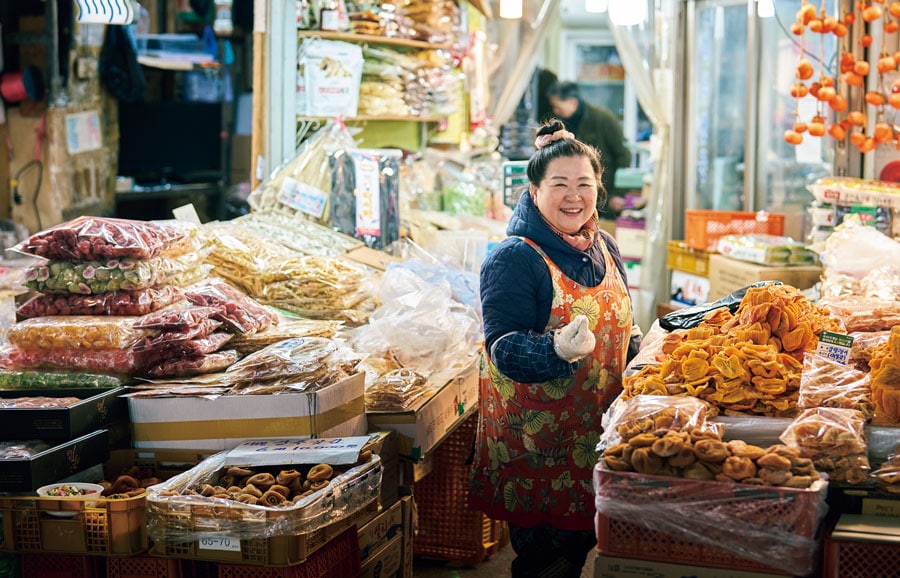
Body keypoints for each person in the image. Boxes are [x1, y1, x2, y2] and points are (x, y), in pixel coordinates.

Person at [468, 120, 641, 577]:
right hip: (538, 446)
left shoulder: (604, 246)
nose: (574, 196)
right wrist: (555, 352)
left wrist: (644, 351)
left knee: (583, 545)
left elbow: (620, 327)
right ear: (534, 189)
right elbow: (502, 346)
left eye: (584, 184)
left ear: (598, 188)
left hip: (596, 432)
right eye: (559, 184)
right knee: (547, 561)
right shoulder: (515, 257)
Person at [546, 81, 632, 223]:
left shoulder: (602, 119)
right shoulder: (560, 124)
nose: (555, 111)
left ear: (573, 102)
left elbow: (624, 156)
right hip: (573, 196)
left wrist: (619, 193)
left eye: (558, 106)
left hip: (604, 195)